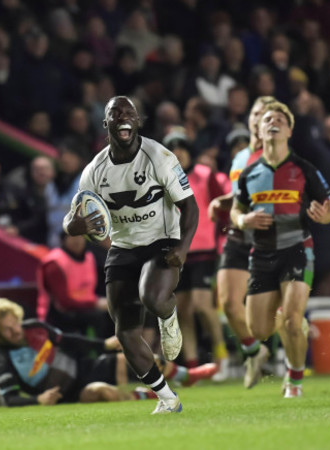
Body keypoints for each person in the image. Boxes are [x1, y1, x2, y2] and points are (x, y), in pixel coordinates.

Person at [63, 96, 199, 414]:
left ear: (138, 121)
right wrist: (76, 225)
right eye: (115, 113)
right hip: (123, 247)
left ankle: (168, 316)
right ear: (106, 122)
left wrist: (182, 247)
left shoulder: (159, 157)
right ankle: (167, 398)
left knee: (151, 296)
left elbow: (189, 206)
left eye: (129, 113)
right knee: (125, 333)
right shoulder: (94, 171)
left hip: (162, 239)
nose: (123, 117)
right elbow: (71, 219)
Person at [230, 102, 330, 398]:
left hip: (297, 249)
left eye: (280, 119)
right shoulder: (248, 173)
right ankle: (294, 323)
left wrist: (324, 215)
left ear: (289, 130)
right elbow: (235, 211)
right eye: (268, 119)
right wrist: (244, 219)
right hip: (262, 255)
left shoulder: (304, 169)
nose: (273, 122)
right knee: (260, 330)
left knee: (291, 321)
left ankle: (295, 379)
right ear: (260, 129)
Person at [0, 296, 218, 407]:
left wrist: (104, 345)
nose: (15, 332)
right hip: (68, 394)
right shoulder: (2, 358)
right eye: (7, 331)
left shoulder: (34, 328)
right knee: (102, 392)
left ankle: (187, 376)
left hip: (83, 368)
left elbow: (70, 341)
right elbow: (9, 398)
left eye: (15, 324)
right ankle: (146, 396)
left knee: (138, 358)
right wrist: (38, 400)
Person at [207, 96, 275, 387]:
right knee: (229, 304)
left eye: (266, 115)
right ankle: (254, 352)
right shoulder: (238, 157)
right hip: (237, 232)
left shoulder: (277, 155)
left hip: (266, 235)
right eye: (255, 113)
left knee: (272, 313)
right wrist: (220, 202)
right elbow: (240, 195)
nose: (259, 119)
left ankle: (293, 358)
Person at [163, 128, 229, 378]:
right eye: (173, 149)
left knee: (202, 305)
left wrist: (223, 237)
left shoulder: (204, 175)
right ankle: (192, 366)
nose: (178, 153)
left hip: (203, 248)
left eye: (182, 148)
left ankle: (221, 355)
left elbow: (222, 206)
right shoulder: (162, 179)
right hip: (177, 251)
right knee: (184, 309)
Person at [39, 232, 111, 338]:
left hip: (86, 305)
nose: (77, 241)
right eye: (73, 237)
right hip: (61, 313)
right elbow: (63, 302)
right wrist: (95, 303)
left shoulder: (89, 257)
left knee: (115, 311)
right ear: (63, 240)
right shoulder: (54, 263)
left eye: (80, 237)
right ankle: (98, 350)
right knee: (99, 317)